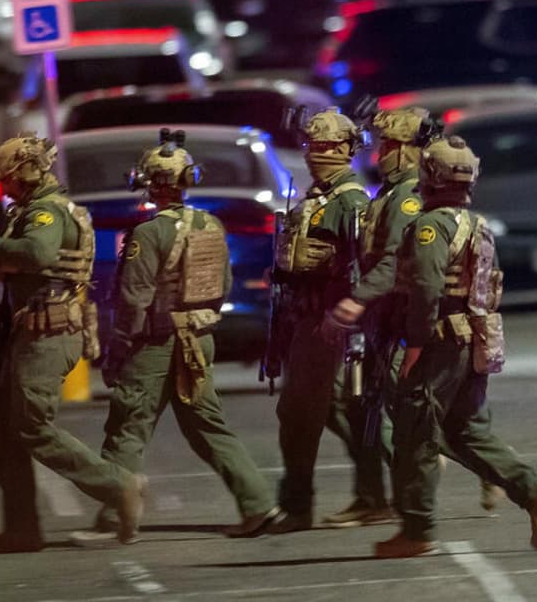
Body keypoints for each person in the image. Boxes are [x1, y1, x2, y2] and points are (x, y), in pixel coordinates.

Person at [72, 131, 281, 544]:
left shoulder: (148, 234)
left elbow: (134, 299)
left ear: (149, 182)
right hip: (198, 339)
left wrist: (118, 350)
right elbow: (223, 284)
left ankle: (115, 517)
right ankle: (258, 504)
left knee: (129, 425)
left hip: (155, 343)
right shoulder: (211, 225)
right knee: (207, 426)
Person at [376, 135, 537, 558]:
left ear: (431, 175)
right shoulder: (478, 225)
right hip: (470, 340)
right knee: (463, 432)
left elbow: (426, 288)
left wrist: (414, 343)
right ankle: (535, 490)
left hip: (438, 344)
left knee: (415, 435)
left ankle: (416, 530)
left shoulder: (431, 227)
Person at [0, 134, 146, 554]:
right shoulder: (27, 210)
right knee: (7, 431)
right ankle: (21, 529)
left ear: (25, 172)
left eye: (7, 179)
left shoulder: (46, 212)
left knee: (31, 425)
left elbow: (39, 254)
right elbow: (24, 265)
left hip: (48, 331)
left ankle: (119, 486)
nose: (4, 188)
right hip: (27, 330)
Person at [324, 108, 502, 527]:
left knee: (416, 413)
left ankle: (485, 477)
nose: (381, 153)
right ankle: (376, 496)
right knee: (366, 405)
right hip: (381, 319)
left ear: (409, 151)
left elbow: (399, 266)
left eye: (389, 145)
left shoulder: (408, 197)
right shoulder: (389, 193)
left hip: (396, 320)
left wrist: (358, 300)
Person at [267, 109, 371, 534]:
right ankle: (380, 489)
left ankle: (298, 506)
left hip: (328, 324)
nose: (316, 155)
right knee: (335, 412)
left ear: (346, 150)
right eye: (311, 145)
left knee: (298, 415)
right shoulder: (316, 197)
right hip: (305, 319)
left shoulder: (350, 202)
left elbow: (362, 266)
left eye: (326, 146)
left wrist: (349, 317)